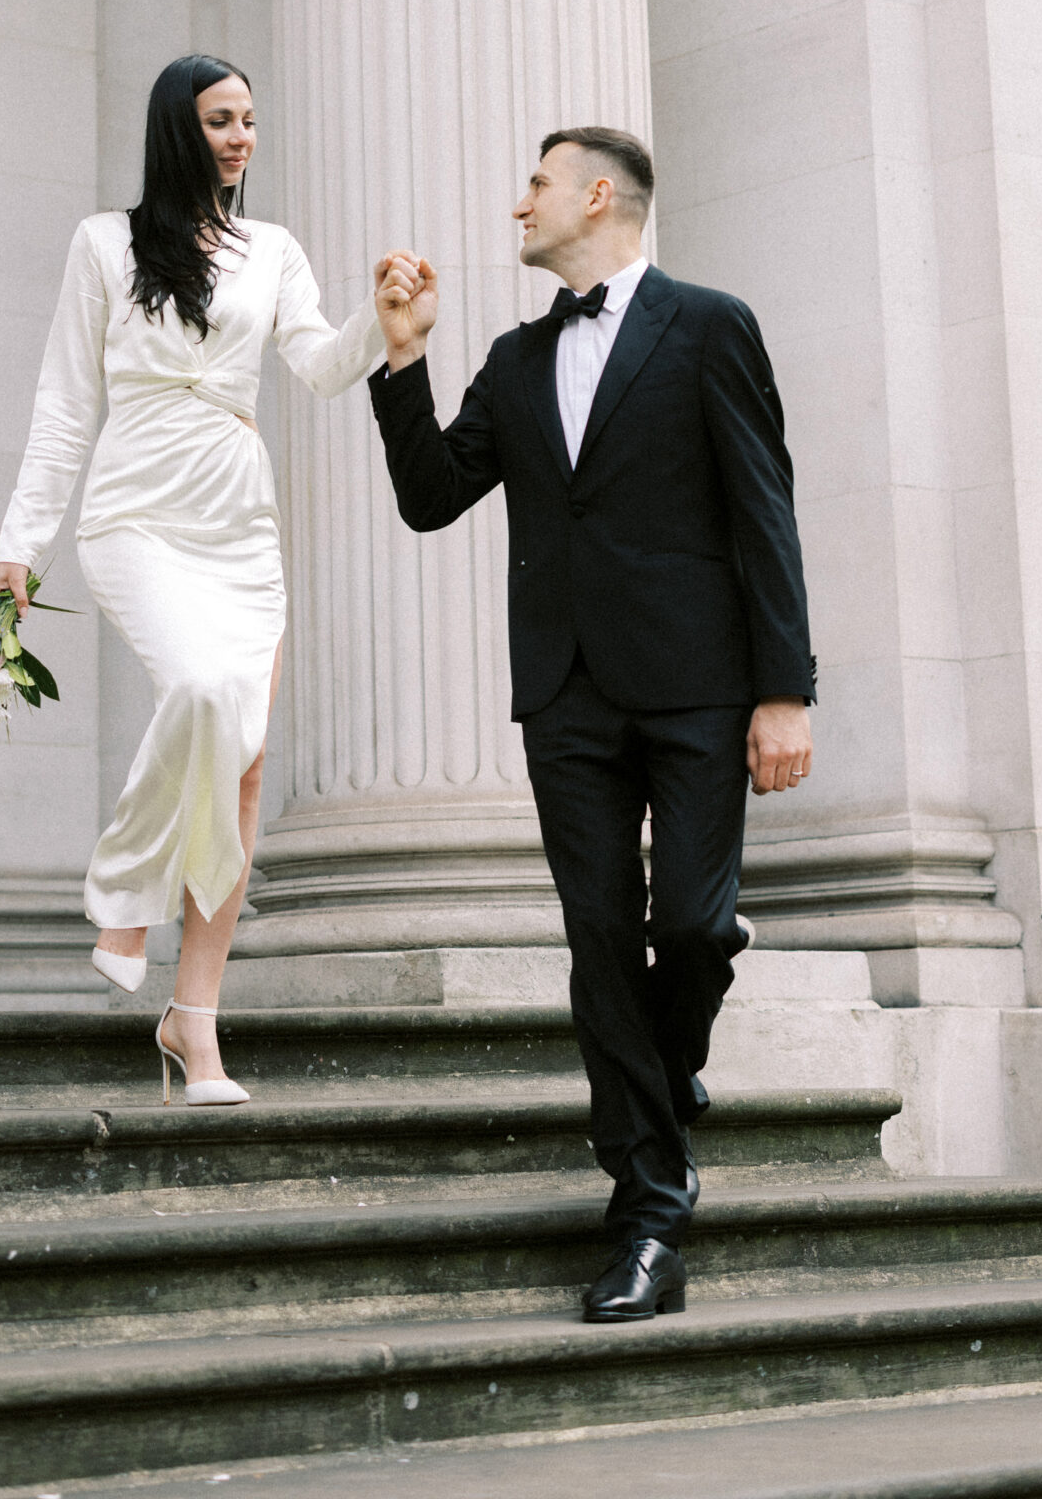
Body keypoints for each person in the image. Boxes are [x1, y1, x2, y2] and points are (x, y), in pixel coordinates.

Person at [370, 128, 815, 1321]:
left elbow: (763, 509)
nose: (520, 202)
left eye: (537, 183)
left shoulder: (711, 323)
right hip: (564, 694)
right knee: (603, 939)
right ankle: (651, 1212)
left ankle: (658, 1089)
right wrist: (402, 360)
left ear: (598, 195)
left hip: (700, 683)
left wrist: (786, 690)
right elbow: (429, 498)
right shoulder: (516, 362)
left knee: (699, 928)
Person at [0, 55, 390, 1105]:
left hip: (237, 525)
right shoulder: (104, 245)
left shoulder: (272, 250)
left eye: (252, 119)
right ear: (180, 127)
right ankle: (125, 894)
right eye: (221, 120)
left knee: (245, 767)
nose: (242, 137)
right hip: (134, 515)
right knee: (206, 695)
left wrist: (385, 321)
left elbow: (318, 362)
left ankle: (194, 1021)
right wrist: (19, 549)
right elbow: (65, 404)